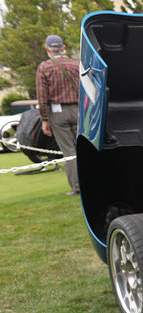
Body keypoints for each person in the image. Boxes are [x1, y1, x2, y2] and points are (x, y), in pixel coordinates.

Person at [36, 34, 81, 195]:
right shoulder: (77, 64)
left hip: (58, 113)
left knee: (69, 152)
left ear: (48, 49)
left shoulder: (45, 67)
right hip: (79, 110)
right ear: (64, 48)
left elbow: (42, 96)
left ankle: (76, 188)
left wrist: (44, 119)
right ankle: (92, 184)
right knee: (84, 149)